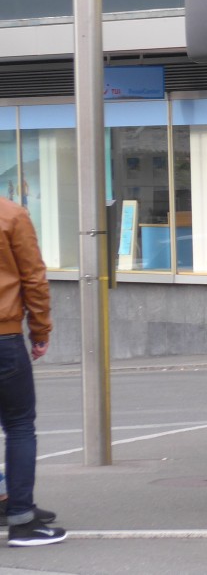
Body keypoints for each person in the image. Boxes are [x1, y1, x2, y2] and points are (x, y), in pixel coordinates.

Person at [0, 197, 65, 547]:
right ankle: (22, 520)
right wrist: (40, 331)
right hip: (3, 337)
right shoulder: (10, 214)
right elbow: (34, 278)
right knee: (20, 426)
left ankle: (5, 501)